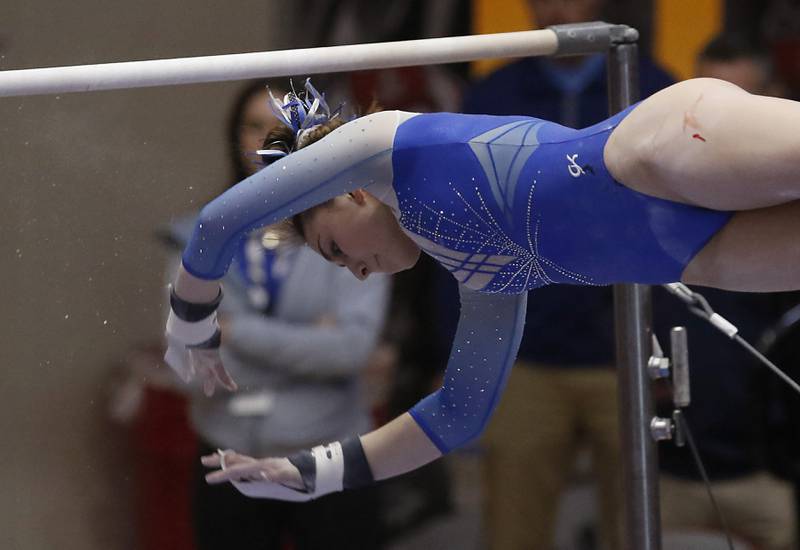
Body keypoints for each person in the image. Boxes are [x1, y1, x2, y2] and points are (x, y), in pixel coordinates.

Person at [165, 76, 800, 504]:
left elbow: (222, 220)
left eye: (336, 250)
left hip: (659, 150)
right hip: (692, 254)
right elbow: (455, 415)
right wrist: (306, 473)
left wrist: (192, 316)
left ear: (349, 193)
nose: (356, 271)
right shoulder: (486, 273)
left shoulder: (382, 146)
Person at [453, 0, 674, 547]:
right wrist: (455, 354)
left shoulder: (653, 88)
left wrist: (665, 349)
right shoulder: (491, 98)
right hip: (521, 353)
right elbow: (454, 232)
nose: (559, 4)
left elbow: (683, 224)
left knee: (636, 527)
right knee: (512, 526)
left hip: (625, 347)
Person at [166, 80, 389, 549]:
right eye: (252, 126)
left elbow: (349, 350)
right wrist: (306, 340)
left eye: (280, 126)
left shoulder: (353, 222)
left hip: (331, 451)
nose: (267, 141)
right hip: (226, 454)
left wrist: (234, 332)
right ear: (233, 136)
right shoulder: (200, 234)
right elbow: (187, 364)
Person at [654, 34, 796, 550]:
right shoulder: (651, 194)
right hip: (670, 467)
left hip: (774, 471)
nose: (723, 131)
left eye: (740, 109)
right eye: (710, 110)